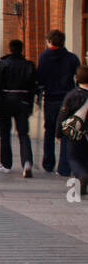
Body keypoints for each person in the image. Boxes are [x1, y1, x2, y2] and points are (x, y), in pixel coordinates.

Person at [36, 29, 79, 176]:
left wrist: (38, 94)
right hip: (68, 98)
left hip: (51, 98)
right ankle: (64, 166)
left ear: (49, 41)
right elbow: (78, 77)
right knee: (66, 132)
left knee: (49, 130)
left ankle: (48, 163)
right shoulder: (72, 58)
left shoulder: (43, 57)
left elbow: (40, 78)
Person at [0, 39, 37, 175]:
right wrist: (30, 104)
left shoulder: (3, 64)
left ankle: (6, 164)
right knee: (23, 133)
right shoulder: (29, 65)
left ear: (9, 49)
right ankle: (27, 161)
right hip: (23, 101)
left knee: (5, 133)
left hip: (5, 100)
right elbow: (33, 88)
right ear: (21, 49)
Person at [57, 64, 88, 198]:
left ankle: (81, 176)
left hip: (74, 133)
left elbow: (63, 116)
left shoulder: (72, 95)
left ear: (77, 78)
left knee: (74, 158)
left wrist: (58, 133)